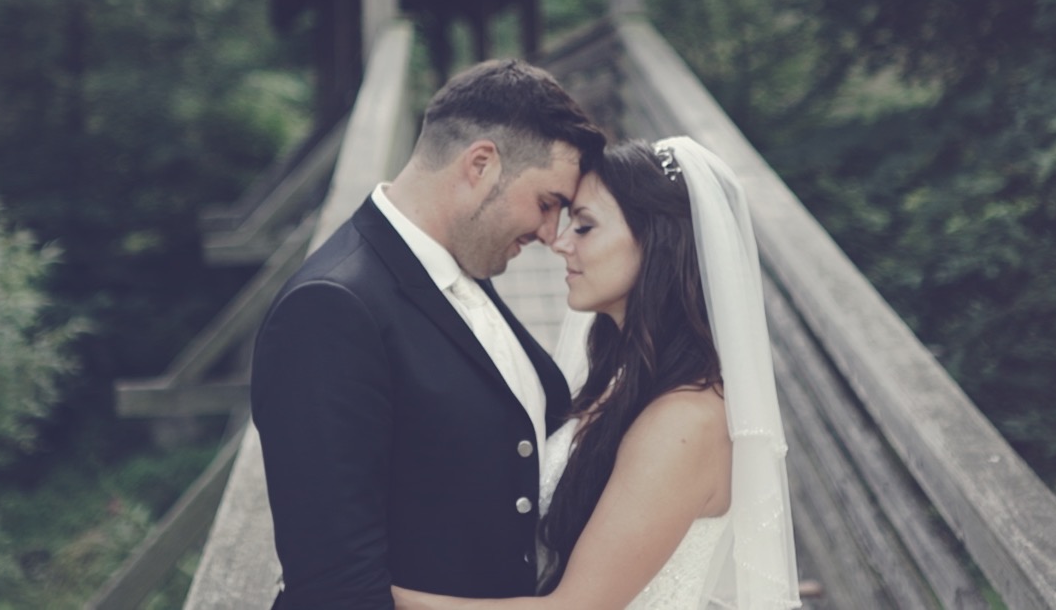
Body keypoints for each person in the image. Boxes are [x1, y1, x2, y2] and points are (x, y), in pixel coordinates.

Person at [253, 59, 607, 610]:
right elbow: (335, 586)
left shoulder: (464, 261)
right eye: (547, 204)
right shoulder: (329, 309)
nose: (549, 233)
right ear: (481, 164)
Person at [393, 137, 800, 610]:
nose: (560, 242)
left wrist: (380, 596)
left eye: (584, 227)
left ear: (657, 244)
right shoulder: (623, 381)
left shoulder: (684, 422)